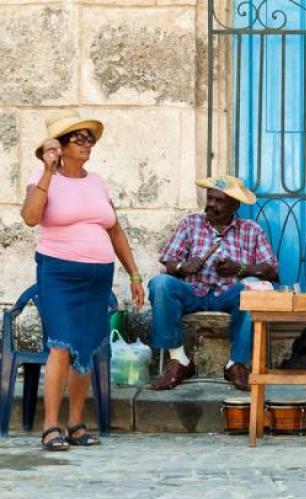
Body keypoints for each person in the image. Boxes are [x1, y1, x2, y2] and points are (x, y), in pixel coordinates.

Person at [20, 110, 144, 451]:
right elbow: (30, 217)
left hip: (98, 276)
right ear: (59, 146)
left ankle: (75, 423)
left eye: (89, 138)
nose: (87, 143)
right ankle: (50, 427)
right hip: (58, 272)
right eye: (79, 138)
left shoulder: (97, 182)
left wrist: (134, 273)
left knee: (87, 347)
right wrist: (48, 170)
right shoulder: (41, 177)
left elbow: (115, 230)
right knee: (61, 344)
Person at [148, 175, 278, 391]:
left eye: (219, 201)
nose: (211, 204)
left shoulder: (251, 229)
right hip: (193, 292)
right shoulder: (191, 223)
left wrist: (239, 269)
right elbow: (168, 263)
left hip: (229, 295)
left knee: (252, 287)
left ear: (235, 205)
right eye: (210, 198)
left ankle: (236, 364)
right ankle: (179, 360)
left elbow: (271, 270)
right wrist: (183, 266)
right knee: (160, 284)